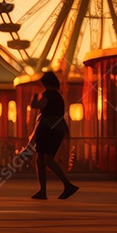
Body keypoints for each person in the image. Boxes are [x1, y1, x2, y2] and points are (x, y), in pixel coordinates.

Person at [29, 71, 79, 200]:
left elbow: (37, 105)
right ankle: (67, 184)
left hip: (46, 129)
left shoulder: (48, 95)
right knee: (49, 160)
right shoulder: (59, 97)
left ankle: (43, 190)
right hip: (58, 129)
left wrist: (34, 96)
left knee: (40, 159)